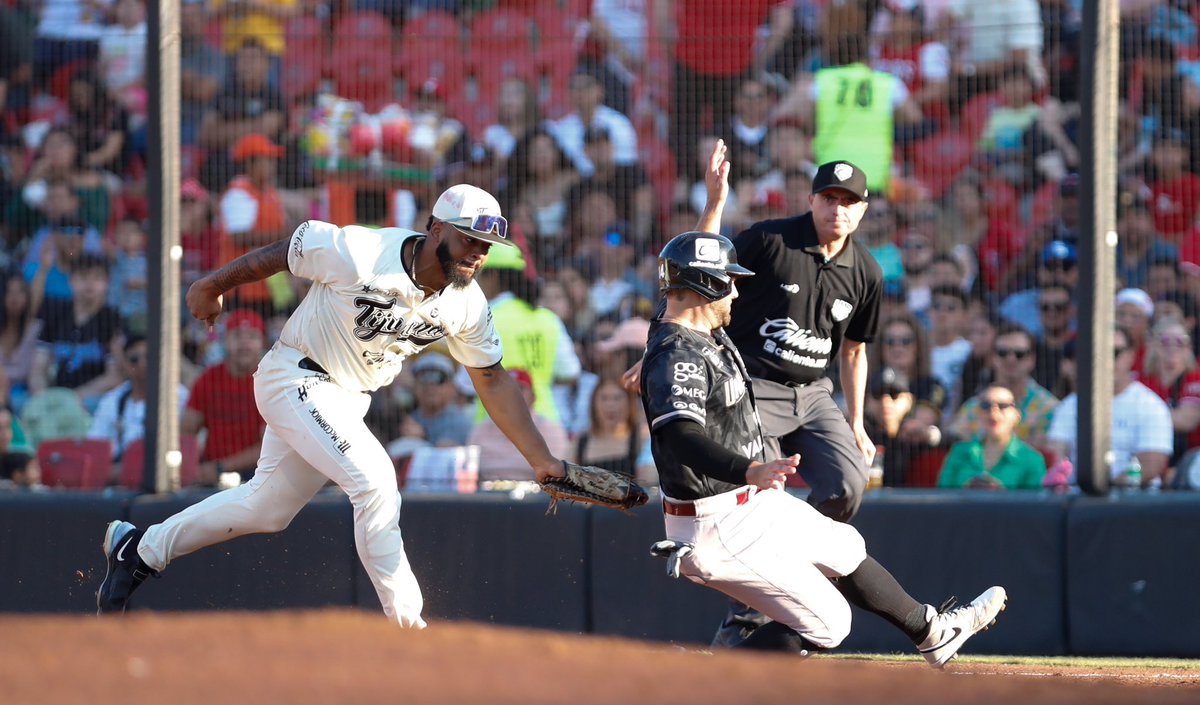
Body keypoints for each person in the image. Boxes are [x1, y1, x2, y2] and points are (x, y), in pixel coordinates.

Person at [96, 184, 572, 626]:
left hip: (347, 399)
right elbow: (287, 251)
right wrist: (212, 285)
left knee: (267, 509)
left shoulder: (467, 304)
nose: (478, 253)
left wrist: (541, 459)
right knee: (376, 482)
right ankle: (409, 628)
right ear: (437, 228)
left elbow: (490, 378)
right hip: (295, 375)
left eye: (486, 246)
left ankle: (139, 550)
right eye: (470, 239)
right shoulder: (363, 252)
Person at [641, 229, 1006, 665]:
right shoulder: (678, 353)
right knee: (830, 624)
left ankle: (933, 633)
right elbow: (681, 437)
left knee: (844, 545)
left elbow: (679, 282)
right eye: (730, 281)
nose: (737, 291)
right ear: (708, 285)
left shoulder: (697, 331)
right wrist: (749, 470)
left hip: (743, 503)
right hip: (715, 521)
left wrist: (713, 208)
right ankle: (707, 676)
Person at [625, 143, 887, 647]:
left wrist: (855, 420)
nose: (838, 208)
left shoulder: (867, 272)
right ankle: (754, 604)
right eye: (828, 197)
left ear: (863, 209)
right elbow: (699, 269)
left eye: (848, 200)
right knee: (755, 490)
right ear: (811, 200)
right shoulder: (771, 241)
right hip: (753, 387)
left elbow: (854, 351)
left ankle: (780, 580)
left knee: (848, 484)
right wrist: (661, 347)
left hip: (813, 393)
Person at [1045, 326, 1173, 489]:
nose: (1106, 360)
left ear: (1130, 356)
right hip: (1079, 499)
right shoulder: (1070, 405)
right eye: (1099, 352)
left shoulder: (1151, 406)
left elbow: (1150, 465)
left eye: (1114, 352)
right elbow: (1056, 454)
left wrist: (1105, 494)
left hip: (1134, 501)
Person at [182, 309, 268, 485]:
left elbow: (269, 447)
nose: (244, 344)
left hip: (257, 476)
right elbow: (187, 431)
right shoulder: (208, 379)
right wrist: (190, 471)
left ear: (262, 343)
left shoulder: (270, 382)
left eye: (251, 336)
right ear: (225, 341)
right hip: (210, 475)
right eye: (237, 336)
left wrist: (221, 467)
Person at [948, 323, 1058, 451]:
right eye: (1002, 353)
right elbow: (954, 446)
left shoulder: (1049, 408)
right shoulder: (975, 406)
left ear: (1031, 360)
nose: (1011, 359)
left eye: (1019, 354)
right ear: (993, 358)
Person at [87, 334, 190, 467]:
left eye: (149, 357)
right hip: (121, 476)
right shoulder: (112, 401)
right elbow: (95, 445)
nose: (142, 364)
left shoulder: (179, 396)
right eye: (134, 359)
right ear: (125, 364)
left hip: (166, 470)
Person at [938, 384, 1047, 490]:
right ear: (979, 414)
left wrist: (1000, 497)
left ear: (1016, 415)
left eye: (1003, 406)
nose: (993, 412)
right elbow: (942, 498)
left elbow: (1034, 505)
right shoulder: (959, 453)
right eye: (986, 405)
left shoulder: (1032, 460)